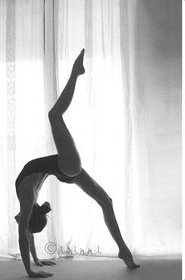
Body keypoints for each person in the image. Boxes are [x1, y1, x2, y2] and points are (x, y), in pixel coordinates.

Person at [15, 49, 140, 278]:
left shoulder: (26, 200)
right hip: (65, 168)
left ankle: (123, 249)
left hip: (64, 170)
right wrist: (31, 268)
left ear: (35, 213)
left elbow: (25, 231)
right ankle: (75, 73)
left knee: (106, 201)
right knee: (54, 116)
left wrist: (32, 264)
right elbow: (25, 231)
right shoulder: (26, 200)